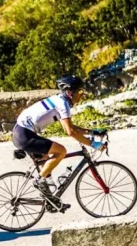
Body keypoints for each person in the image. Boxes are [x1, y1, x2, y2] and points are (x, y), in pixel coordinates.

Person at [12, 75, 103, 203]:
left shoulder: (59, 101)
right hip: (25, 135)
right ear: (69, 92)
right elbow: (70, 131)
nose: (81, 95)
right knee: (61, 151)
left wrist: (93, 132)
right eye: (79, 91)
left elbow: (70, 127)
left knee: (46, 165)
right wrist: (93, 144)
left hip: (21, 133)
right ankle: (38, 181)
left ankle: (50, 200)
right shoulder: (62, 104)